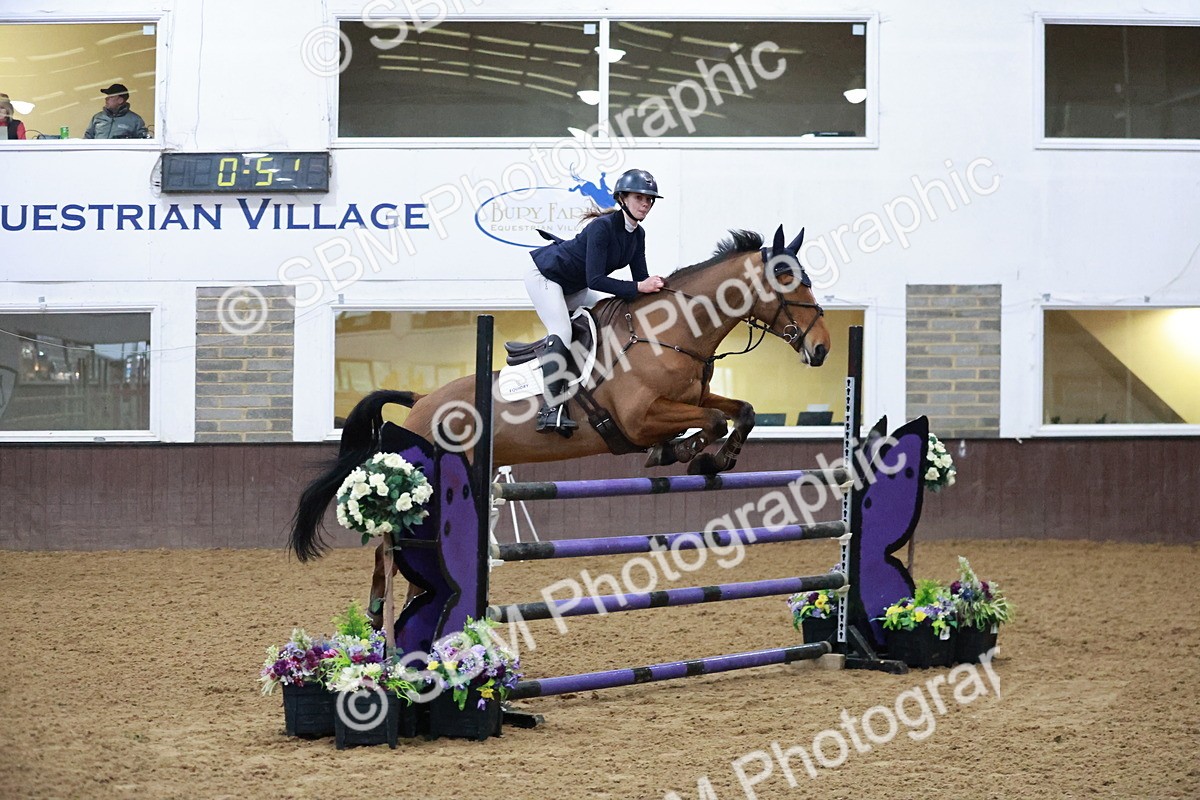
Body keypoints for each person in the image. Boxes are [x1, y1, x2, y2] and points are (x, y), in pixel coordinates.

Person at [525, 168, 666, 436]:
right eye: (640, 197)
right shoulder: (602, 227)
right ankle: (549, 410)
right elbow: (596, 280)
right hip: (546, 275)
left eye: (650, 199)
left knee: (607, 316)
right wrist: (639, 287)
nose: (646, 204)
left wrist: (660, 288)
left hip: (574, 284)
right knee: (562, 330)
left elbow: (640, 280)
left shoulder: (638, 235)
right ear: (622, 198)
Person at [84, 83, 148, 140]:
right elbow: (87, 139)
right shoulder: (97, 117)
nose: (106, 99)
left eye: (111, 97)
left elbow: (143, 142)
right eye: (107, 96)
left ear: (120, 100)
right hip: (97, 153)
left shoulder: (135, 120)